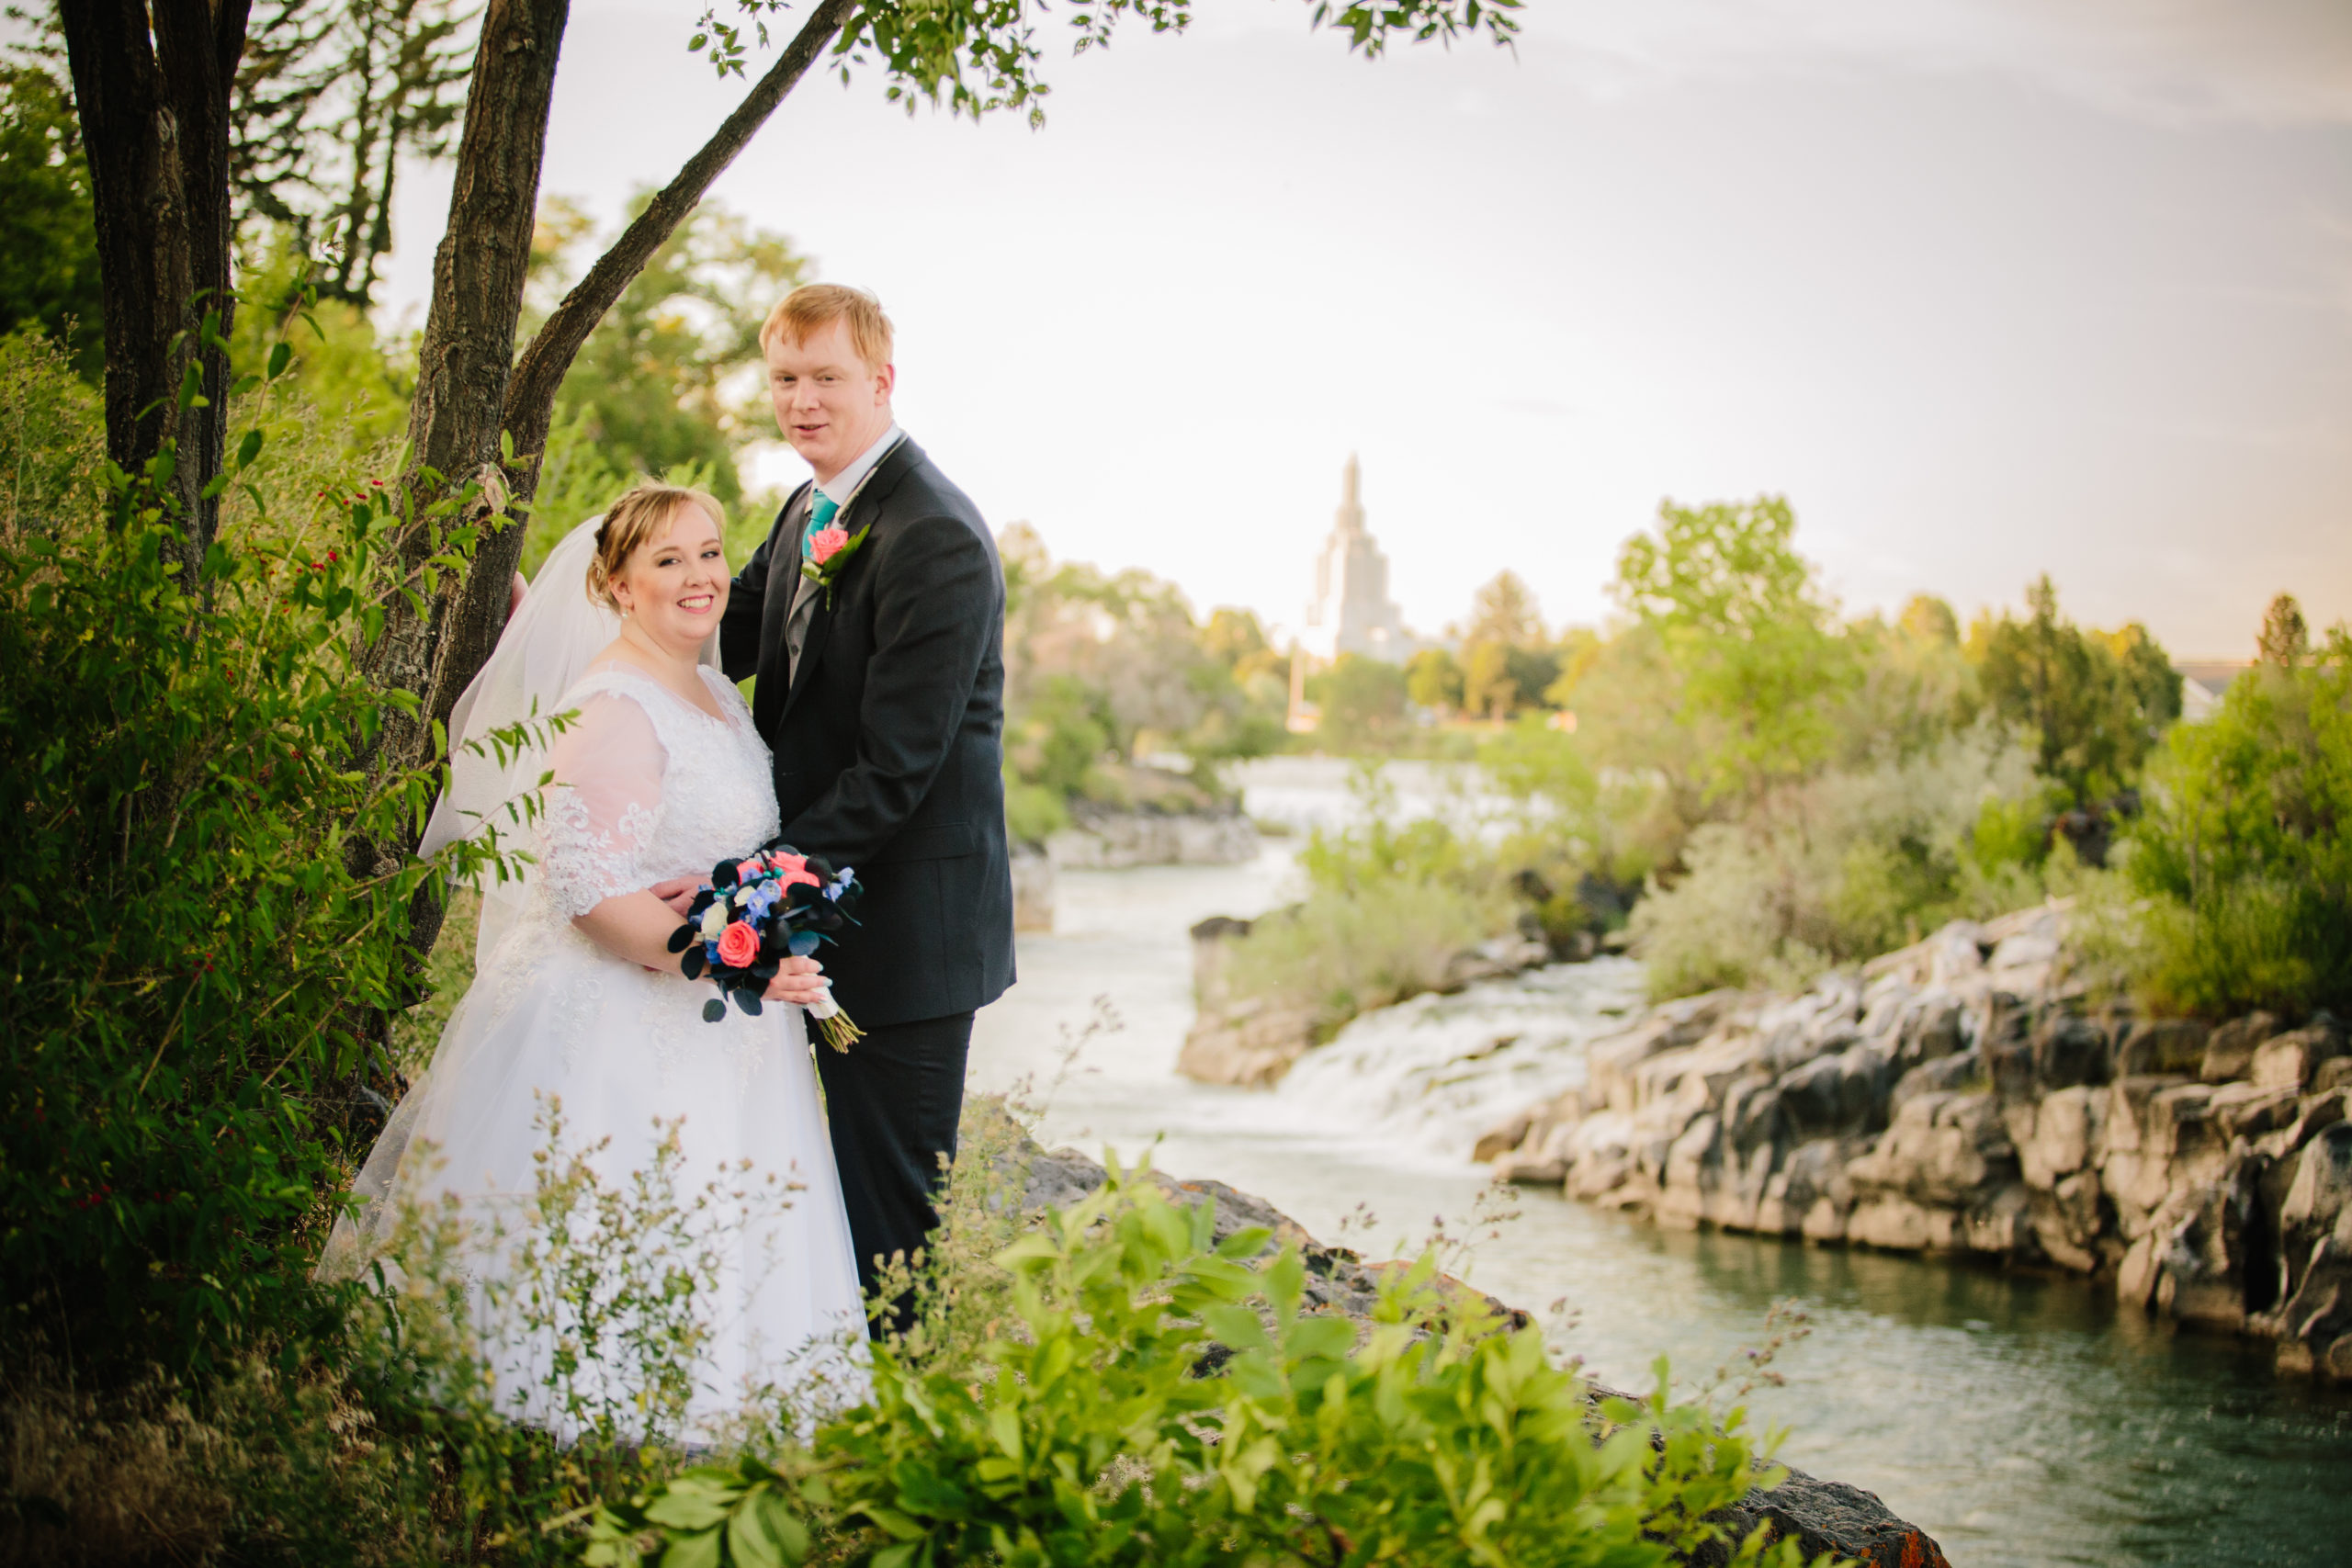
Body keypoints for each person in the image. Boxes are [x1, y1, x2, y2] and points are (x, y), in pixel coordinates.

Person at [321, 484, 865, 1438]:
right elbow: (589, 895)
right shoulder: (614, 704)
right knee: (610, 1234)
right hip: (618, 1024)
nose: (699, 577)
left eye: (708, 553)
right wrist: (733, 962)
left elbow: (681, 850)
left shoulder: (709, 695)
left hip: (707, 1030)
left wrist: (739, 901)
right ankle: (574, 1452)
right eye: (666, 561)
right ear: (616, 586)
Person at [673, 284, 1014, 1328]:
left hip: (905, 942)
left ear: (881, 381)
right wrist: (592, 620)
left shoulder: (934, 536)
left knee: (891, 1225)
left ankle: (896, 1454)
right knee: (810, 1197)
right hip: (812, 916)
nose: (803, 401)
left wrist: (744, 890)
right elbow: (727, 640)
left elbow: (894, 771)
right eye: (785, 379)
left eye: (827, 378)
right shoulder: (808, 508)